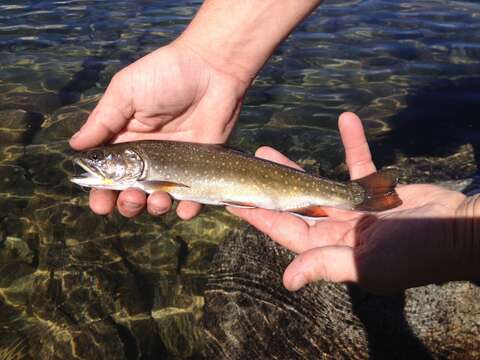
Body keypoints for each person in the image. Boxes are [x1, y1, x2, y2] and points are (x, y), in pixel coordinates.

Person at [69, 0, 479, 295]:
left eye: (100, 158)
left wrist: (461, 236)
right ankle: (360, 195)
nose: (93, 161)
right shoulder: (149, 166)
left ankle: (359, 196)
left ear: (132, 163)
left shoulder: (153, 173)